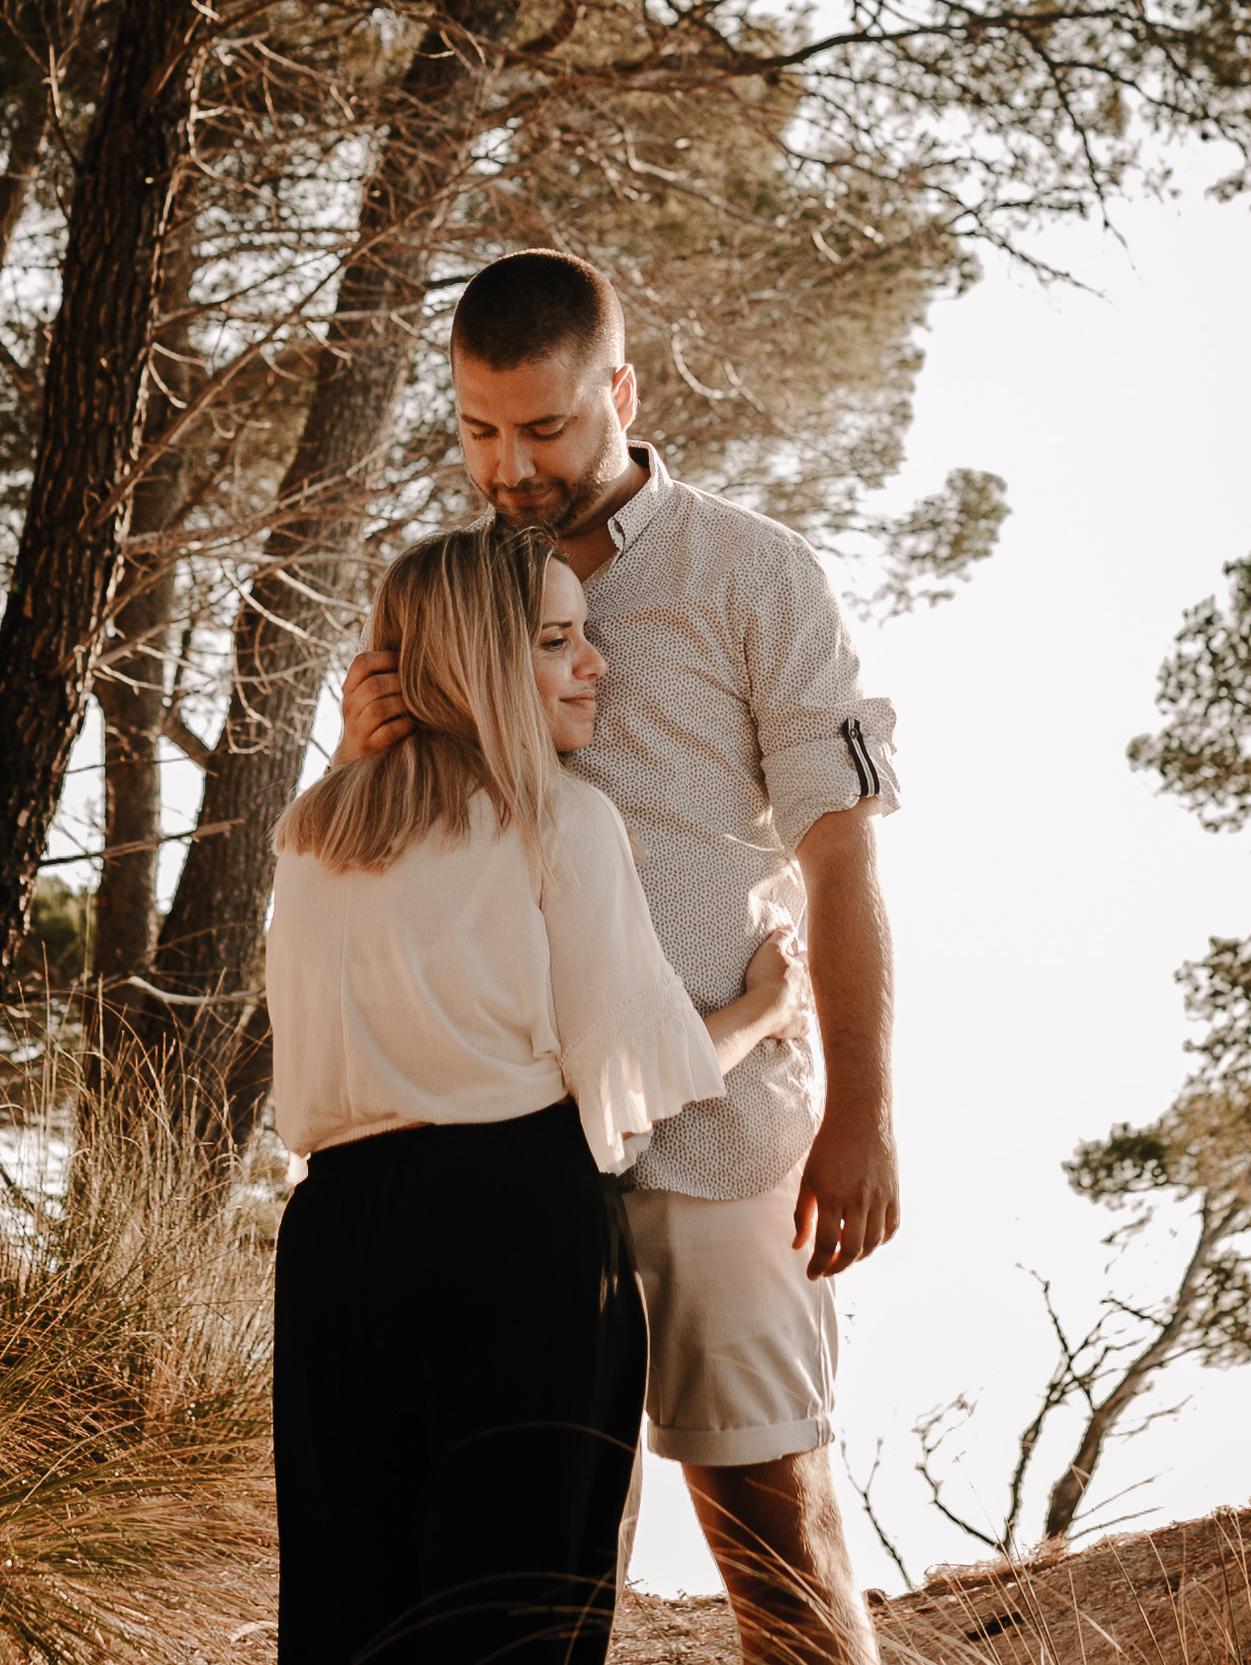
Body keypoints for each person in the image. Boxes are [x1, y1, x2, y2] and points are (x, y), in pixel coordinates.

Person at [339, 251, 900, 1665]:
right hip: (510, 1156)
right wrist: (361, 760)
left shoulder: (758, 573)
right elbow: (392, 862)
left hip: (723, 1141)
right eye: (476, 430)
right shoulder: (449, 593)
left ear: (622, 394)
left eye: (543, 429)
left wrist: (865, 1116)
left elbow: (842, 860)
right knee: (521, 1569)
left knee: (773, 1529)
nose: (509, 467)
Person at [270, 524, 806, 1665]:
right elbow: (638, 1071)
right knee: (518, 1612)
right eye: (557, 641)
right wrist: (767, 1007)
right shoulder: (562, 820)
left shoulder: (314, 832)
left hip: (334, 1244)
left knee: (348, 1607)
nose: (592, 664)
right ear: (475, 664)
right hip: (517, 1235)